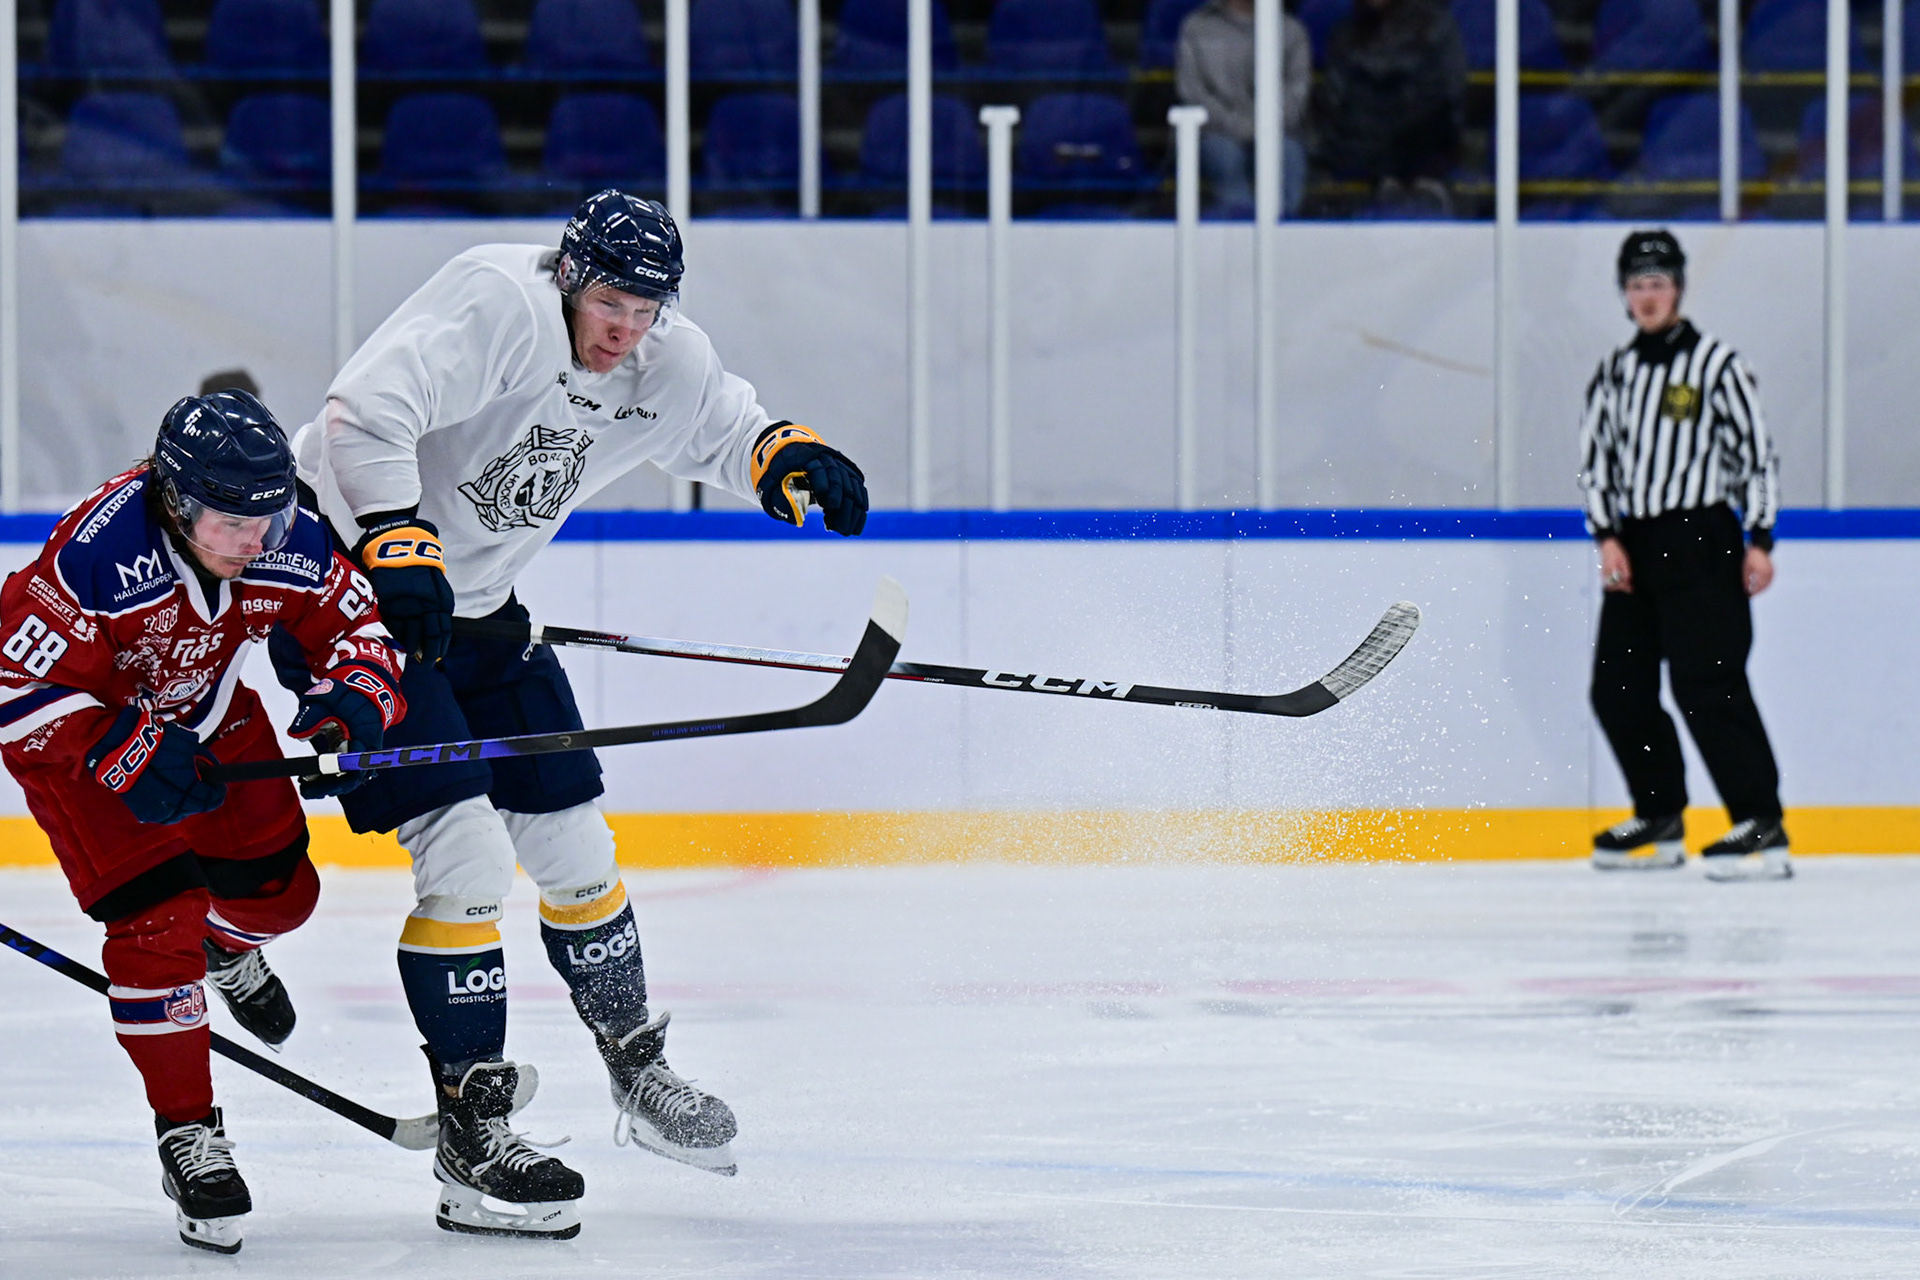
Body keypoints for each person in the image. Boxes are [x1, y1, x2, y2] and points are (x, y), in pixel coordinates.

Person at [288, 188, 870, 1239]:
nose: (625, 331)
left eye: (647, 311)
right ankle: (474, 1133)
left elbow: (723, 423)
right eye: (610, 304)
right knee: (467, 854)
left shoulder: (663, 357)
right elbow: (362, 412)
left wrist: (781, 455)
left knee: (576, 846)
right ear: (568, 276)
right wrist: (391, 533)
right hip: (347, 599)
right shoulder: (495, 302)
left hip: (478, 608)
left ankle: (636, 1068)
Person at [0, 390, 407, 1254]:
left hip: (210, 717)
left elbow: (353, 620)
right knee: (159, 924)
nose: (258, 542)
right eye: (234, 523)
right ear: (177, 504)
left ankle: (226, 948)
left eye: (270, 518)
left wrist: (357, 693)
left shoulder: (276, 532)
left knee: (284, 896)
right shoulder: (96, 557)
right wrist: (116, 748)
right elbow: (16, 686)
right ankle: (188, 1131)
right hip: (88, 745)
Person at [1578, 229, 1788, 882]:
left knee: (1709, 684)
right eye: (1637, 284)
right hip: (1634, 546)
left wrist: (1760, 539)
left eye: (1659, 283)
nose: (1648, 296)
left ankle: (1760, 822)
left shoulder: (1718, 366)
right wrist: (1606, 536)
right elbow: (1596, 463)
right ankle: (1660, 813)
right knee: (1617, 689)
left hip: (1702, 540)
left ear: (1679, 290)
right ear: (1624, 294)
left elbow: (1756, 456)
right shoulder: (1613, 373)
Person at [1315, 0, 1466, 215]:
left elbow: (1448, 93)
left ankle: (1423, 191)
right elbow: (1334, 99)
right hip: (1363, 146)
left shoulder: (1437, 28)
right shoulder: (1345, 34)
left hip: (1421, 143)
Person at [1174, 0, 1311, 216]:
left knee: (1289, 154)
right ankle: (1239, 222)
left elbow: (1297, 92)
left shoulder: (1291, 31)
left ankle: (1284, 226)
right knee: (1225, 156)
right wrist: (1238, 125)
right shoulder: (1196, 27)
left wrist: (1267, 125)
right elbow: (1192, 92)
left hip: (1277, 131)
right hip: (1217, 131)